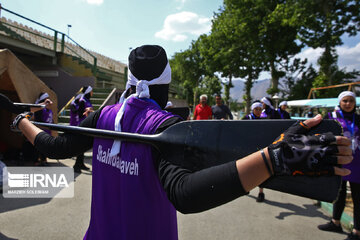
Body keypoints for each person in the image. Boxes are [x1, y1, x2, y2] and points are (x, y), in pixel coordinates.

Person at [11, 45, 352, 240]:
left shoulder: (102, 117)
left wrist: (20, 121)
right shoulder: (166, 125)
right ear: (167, 85)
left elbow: (52, 146)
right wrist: (272, 160)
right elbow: (185, 193)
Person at [318, 91, 360, 240]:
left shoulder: (359, 119)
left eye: (351, 101)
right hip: (339, 161)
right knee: (339, 193)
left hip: (357, 164)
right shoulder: (331, 119)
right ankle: (335, 222)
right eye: (345, 101)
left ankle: (357, 231)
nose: (348, 104)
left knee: (357, 197)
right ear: (340, 103)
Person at [73, 86, 93, 173]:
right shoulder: (82, 101)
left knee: (83, 147)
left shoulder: (87, 100)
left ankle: (80, 163)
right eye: (91, 91)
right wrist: (87, 111)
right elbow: (80, 114)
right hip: (82, 125)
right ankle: (76, 165)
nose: (92, 93)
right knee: (80, 146)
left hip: (87, 126)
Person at [33, 92, 53, 165]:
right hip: (41, 131)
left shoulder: (49, 110)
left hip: (48, 131)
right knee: (39, 147)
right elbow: (38, 120)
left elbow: (51, 119)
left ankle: (44, 160)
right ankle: (37, 160)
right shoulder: (40, 109)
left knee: (45, 147)